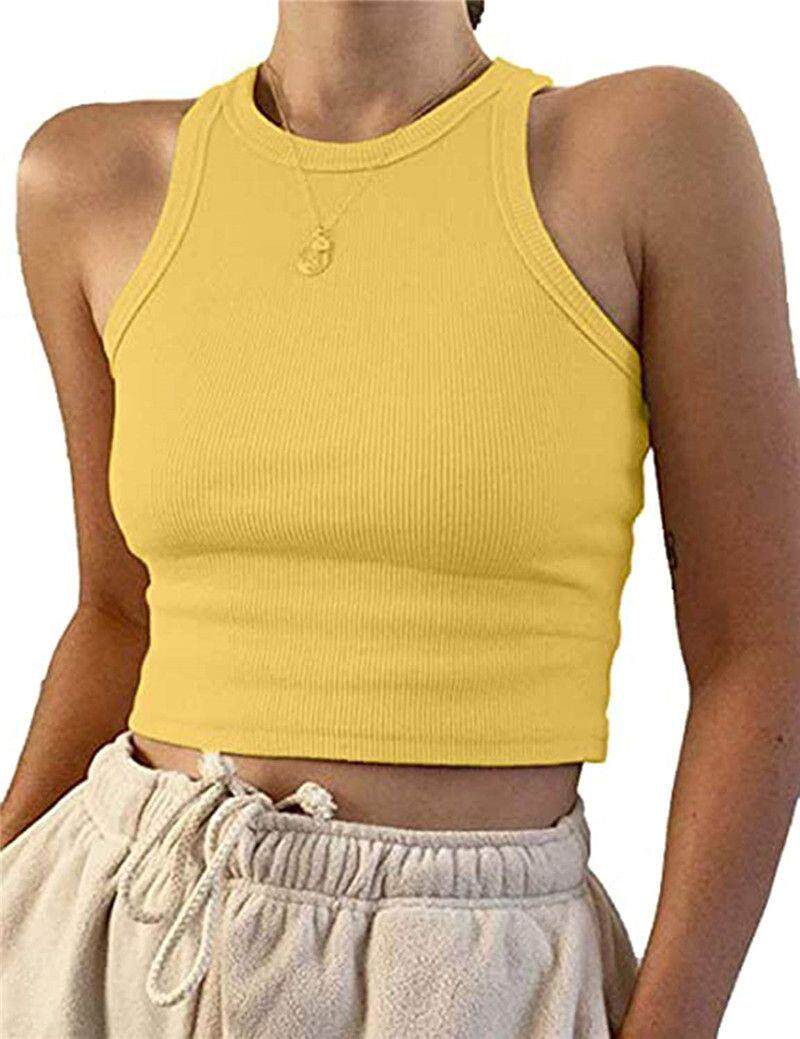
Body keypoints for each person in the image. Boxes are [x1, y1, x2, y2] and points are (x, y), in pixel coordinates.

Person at [1, 1, 798, 1036]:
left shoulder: (648, 151)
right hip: (117, 927)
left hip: (466, 972)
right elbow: (118, 613)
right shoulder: (87, 180)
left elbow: (759, 649)